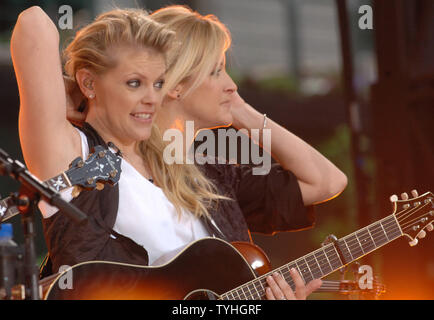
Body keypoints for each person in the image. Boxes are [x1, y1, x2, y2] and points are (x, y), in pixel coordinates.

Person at [11, 5, 307, 300]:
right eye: (134, 83)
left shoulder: (178, 169)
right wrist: (71, 91)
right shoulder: (74, 153)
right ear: (89, 82)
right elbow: (33, 21)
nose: (152, 98)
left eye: (158, 84)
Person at [146, 5, 349, 300]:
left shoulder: (216, 177)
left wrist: (242, 113)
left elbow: (327, 182)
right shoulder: (120, 169)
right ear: (176, 84)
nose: (232, 85)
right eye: (216, 71)